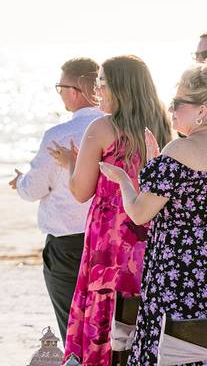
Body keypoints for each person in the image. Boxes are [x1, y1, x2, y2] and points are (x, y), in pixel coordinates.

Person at [48, 55, 172, 366]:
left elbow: (80, 191)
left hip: (110, 236)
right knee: (139, 313)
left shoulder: (102, 127)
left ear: (120, 87)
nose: (97, 90)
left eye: (103, 83)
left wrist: (70, 163)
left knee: (107, 310)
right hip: (151, 232)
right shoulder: (162, 126)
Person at [99, 64, 207, 366]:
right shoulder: (174, 155)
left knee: (167, 350)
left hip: (177, 272)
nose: (171, 109)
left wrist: (123, 179)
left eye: (179, 103)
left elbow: (139, 213)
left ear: (203, 110)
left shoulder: (179, 150)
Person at [9, 57, 103, 338]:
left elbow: (33, 189)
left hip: (67, 246)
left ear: (73, 91)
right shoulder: (116, 128)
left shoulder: (59, 134)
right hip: (107, 240)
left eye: (60, 87)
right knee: (107, 327)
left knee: (72, 327)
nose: (60, 93)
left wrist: (20, 181)